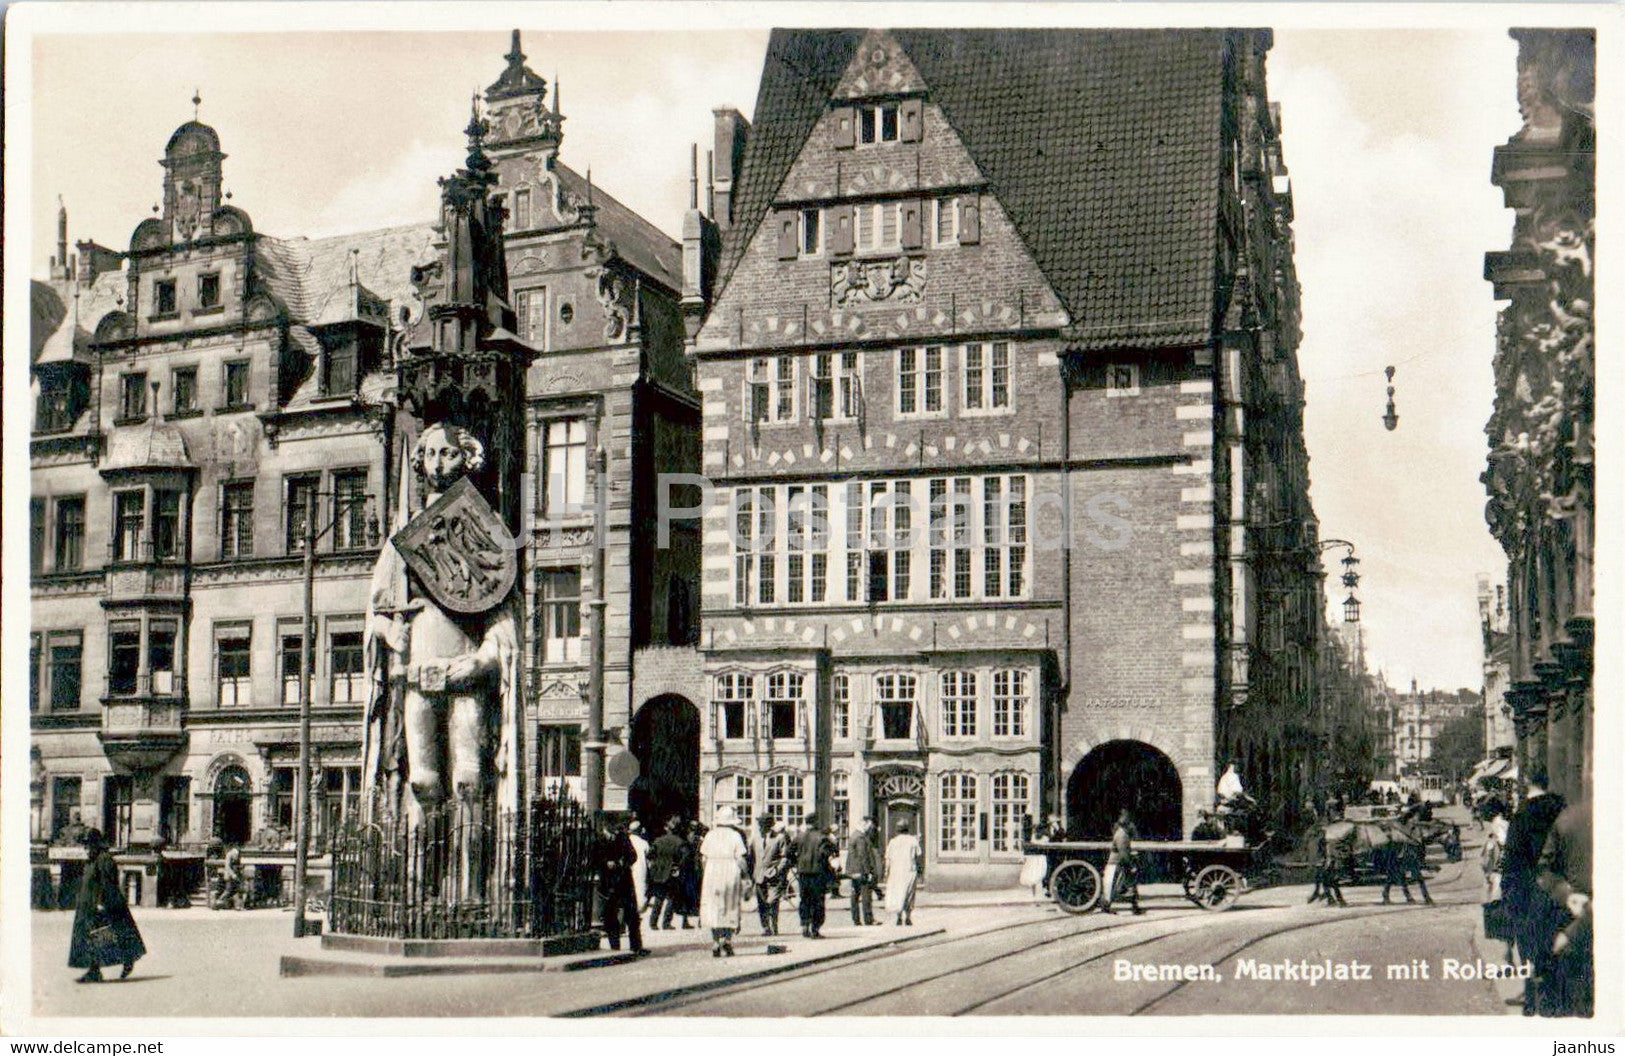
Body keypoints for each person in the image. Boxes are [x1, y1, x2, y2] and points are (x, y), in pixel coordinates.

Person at [1501, 774, 1567, 1015]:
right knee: (1558, 948)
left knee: (1529, 951)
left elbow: (1512, 863)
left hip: (1528, 894)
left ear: (1527, 783)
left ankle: (1532, 1001)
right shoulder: (1563, 812)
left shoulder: (1522, 817)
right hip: (1561, 893)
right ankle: (1558, 1000)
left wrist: (1508, 897)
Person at [1535, 797, 1591, 1017]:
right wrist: (1570, 897)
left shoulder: (1568, 819)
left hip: (1575, 927)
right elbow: (1544, 868)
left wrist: (1566, 894)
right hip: (1579, 924)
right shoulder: (1570, 820)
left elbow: (1544, 870)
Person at [69, 829, 146, 983]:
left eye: (88, 845)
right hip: (87, 907)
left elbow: (108, 884)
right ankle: (95, 970)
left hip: (101, 906)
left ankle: (121, 961)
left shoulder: (104, 859)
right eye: (85, 846)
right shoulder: (92, 860)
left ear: (96, 845)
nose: (86, 849)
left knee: (105, 938)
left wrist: (101, 903)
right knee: (92, 939)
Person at [699, 806, 751, 957]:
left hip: (712, 871)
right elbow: (740, 859)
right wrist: (746, 875)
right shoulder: (735, 836)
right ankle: (726, 940)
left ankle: (715, 941)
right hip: (730, 871)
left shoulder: (710, 835)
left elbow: (703, 858)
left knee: (713, 906)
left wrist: (707, 872)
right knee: (730, 905)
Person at [591, 819, 647, 955]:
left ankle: (636, 946)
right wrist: (605, 863)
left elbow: (633, 856)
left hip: (624, 881)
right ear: (605, 827)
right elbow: (593, 858)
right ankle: (614, 946)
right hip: (608, 882)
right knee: (610, 915)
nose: (614, 832)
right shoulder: (598, 840)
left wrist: (623, 862)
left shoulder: (623, 838)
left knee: (632, 915)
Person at [793, 814, 836, 937]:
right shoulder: (822, 837)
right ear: (816, 822)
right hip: (818, 873)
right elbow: (827, 852)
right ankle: (815, 929)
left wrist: (798, 862)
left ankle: (805, 925)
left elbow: (789, 852)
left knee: (804, 899)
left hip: (803, 873)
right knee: (818, 901)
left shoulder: (799, 837)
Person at [749, 817, 789, 935]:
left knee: (772, 901)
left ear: (769, 826)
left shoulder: (779, 838)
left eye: (763, 826)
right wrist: (751, 875)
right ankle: (766, 927)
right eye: (760, 826)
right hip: (759, 875)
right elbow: (751, 858)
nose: (761, 828)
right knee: (762, 903)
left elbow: (784, 857)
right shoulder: (755, 839)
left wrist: (777, 870)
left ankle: (774, 925)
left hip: (774, 876)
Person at [1100, 810, 1144, 915]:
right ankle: (1107, 906)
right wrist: (1131, 865)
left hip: (1119, 863)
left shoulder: (1122, 834)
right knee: (1113, 886)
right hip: (1117, 864)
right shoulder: (1122, 835)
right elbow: (1123, 853)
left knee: (1125, 886)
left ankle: (1134, 906)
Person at [645, 819, 684, 930]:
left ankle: (653, 922)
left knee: (658, 898)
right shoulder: (679, 842)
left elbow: (650, 855)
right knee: (671, 898)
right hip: (671, 872)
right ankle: (666, 923)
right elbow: (683, 858)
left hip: (658, 872)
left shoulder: (658, 841)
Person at [883, 821, 922, 925]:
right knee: (909, 894)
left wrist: (886, 872)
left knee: (898, 893)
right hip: (909, 870)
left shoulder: (893, 842)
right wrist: (919, 870)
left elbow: (888, 858)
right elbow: (918, 855)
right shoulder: (913, 841)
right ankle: (908, 916)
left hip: (896, 871)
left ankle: (899, 916)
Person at [844, 817, 880, 926]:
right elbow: (863, 855)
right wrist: (868, 871)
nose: (870, 828)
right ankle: (868, 919)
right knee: (866, 895)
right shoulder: (860, 837)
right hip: (861, 871)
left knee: (855, 895)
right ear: (864, 824)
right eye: (869, 826)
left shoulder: (854, 835)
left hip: (853, 871)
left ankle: (856, 919)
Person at [1018, 814, 1050, 907]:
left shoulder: (1033, 835)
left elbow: (1029, 845)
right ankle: (1038, 899)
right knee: (1038, 879)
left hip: (1033, 857)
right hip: (1039, 857)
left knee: (1033, 879)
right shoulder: (1045, 837)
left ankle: (1034, 899)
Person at [627, 819, 650, 914]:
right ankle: (640, 907)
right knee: (640, 887)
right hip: (640, 868)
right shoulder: (644, 843)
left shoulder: (627, 841)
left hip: (630, 868)